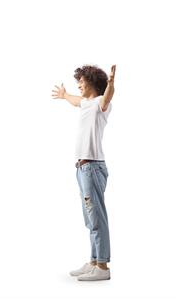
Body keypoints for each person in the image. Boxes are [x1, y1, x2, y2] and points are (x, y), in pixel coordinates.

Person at [52, 65, 116, 281]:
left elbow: (107, 97)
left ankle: (103, 266)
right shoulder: (86, 104)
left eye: (81, 81)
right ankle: (93, 261)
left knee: (97, 218)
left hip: (93, 167)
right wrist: (63, 95)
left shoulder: (99, 103)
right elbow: (74, 100)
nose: (78, 84)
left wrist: (111, 83)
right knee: (90, 219)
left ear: (92, 83)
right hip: (82, 168)